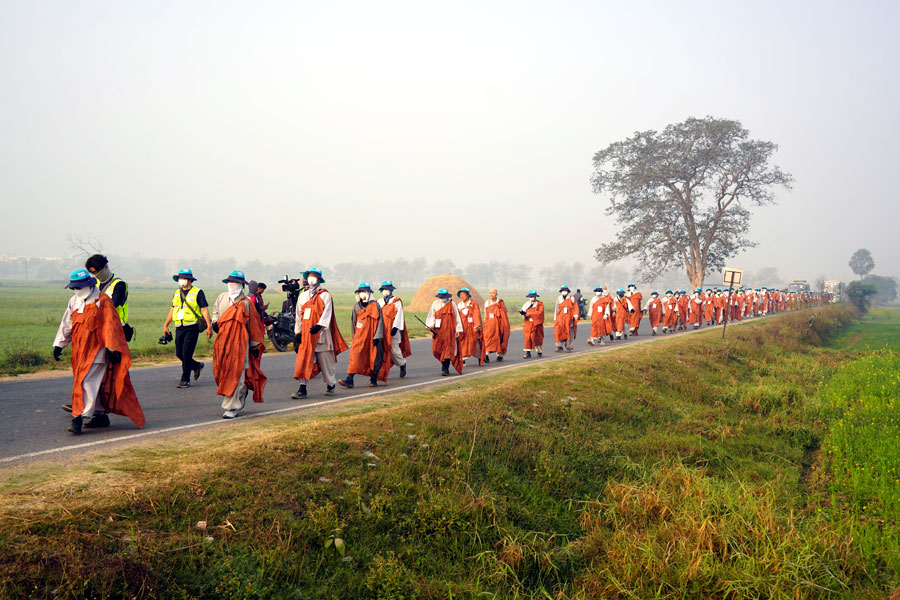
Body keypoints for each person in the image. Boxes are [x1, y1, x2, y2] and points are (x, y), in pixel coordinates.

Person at [53, 269, 145, 435]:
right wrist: (59, 344)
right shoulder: (74, 301)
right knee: (93, 383)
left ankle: (78, 417)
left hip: (97, 350)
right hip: (79, 351)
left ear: (89, 284)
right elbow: (67, 323)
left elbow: (110, 326)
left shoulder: (102, 301)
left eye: (80, 287)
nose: (77, 290)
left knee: (85, 382)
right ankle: (100, 414)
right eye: (74, 287)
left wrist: (112, 348)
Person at [211, 270, 266, 419]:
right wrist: (215, 322)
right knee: (223, 371)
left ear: (242, 285)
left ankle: (233, 406)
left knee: (238, 374)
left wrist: (255, 346)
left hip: (241, 343)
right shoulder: (221, 297)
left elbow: (254, 325)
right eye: (229, 282)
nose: (231, 285)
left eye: (235, 282)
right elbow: (215, 312)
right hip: (223, 341)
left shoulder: (247, 303)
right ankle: (236, 397)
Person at [292, 268, 348, 398]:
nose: (311, 279)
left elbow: (327, 312)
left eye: (314, 276)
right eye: (309, 276)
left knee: (326, 363)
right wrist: (298, 332)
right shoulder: (303, 296)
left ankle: (330, 384)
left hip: (322, 335)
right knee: (303, 361)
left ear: (319, 279)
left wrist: (319, 325)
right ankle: (302, 388)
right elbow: (298, 316)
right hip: (306, 335)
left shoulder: (325, 295)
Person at [163, 269, 212, 388]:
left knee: (186, 353)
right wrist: (165, 325)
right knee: (179, 353)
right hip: (179, 326)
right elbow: (173, 309)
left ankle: (185, 379)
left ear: (190, 280)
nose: (181, 280)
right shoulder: (176, 292)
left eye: (183, 278)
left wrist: (209, 325)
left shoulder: (198, 292)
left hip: (192, 327)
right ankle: (196, 366)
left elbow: (204, 309)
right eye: (179, 278)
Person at [338, 283, 385, 389]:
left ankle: (373, 379)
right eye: (360, 292)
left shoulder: (375, 305)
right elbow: (353, 323)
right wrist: (354, 337)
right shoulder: (356, 306)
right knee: (355, 356)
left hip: (373, 337)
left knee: (374, 358)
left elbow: (380, 321)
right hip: (359, 337)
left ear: (368, 293)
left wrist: (378, 336)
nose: (362, 294)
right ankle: (350, 378)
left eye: (364, 291)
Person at [84, 253, 133, 342]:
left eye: (97, 271)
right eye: (93, 272)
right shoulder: (95, 285)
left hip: (116, 328)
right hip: (98, 328)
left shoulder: (119, 284)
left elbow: (112, 304)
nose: (96, 274)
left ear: (106, 266)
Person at [425, 287, 463, 376]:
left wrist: (458, 329)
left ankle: (445, 368)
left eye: (444, 296)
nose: (442, 298)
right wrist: (430, 326)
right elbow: (431, 316)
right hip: (438, 331)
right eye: (441, 296)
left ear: (447, 296)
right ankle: (443, 362)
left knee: (448, 349)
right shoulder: (435, 304)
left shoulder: (452, 304)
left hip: (449, 331)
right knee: (436, 349)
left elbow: (457, 317)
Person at [378, 280, 411, 379]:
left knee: (394, 350)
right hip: (381, 330)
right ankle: (380, 371)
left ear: (391, 290)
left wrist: (396, 327)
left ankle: (402, 364)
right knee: (381, 350)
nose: (386, 291)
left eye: (387, 289)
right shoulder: (379, 302)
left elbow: (399, 315)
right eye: (384, 289)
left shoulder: (396, 301)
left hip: (393, 330)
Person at [457, 287, 483, 365]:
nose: (462, 296)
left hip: (472, 327)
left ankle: (479, 357)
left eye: (464, 294)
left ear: (468, 295)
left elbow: (476, 314)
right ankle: (463, 359)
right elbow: (457, 317)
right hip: (463, 327)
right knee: (462, 343)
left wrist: (477, 325)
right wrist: (457, 328)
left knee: (475, 342)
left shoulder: (473, 303)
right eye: (461, 295)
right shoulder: (459, 305)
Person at [482, 289, 510, 362]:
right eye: (490, 293)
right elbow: (485, 313)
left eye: (493, 293)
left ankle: (500, 355)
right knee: (488, 338)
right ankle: (486, 354)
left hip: (499, 323)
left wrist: (504, 324)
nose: (491, 294)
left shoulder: (500, 303)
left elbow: (504, 314)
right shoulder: (487, 303)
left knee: (500, 338)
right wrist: (485, 323)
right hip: (489, 324)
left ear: (496, 294)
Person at [554, 285, 579, 352]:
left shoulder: (572, 298)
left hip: (569, 319)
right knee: (559, 332)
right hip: (560, 318)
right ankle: (559, 346)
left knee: (570, 332)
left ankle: (569, 347)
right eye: (563, 290)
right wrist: (555, 318)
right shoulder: (559, 298)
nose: (564, 291)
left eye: (565, 290)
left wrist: (576, 315)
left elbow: (576, 307)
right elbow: (556, 308)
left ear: (567, 291)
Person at [520, 290, 544, 358]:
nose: (532, 298)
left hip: (537, 324)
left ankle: (539, 351)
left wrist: (530, 314)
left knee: (537, 338)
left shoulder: (539, 304)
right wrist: (523, 314)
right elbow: (523, 311)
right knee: (528, 338)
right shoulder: (526, 304)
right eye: (531, 297)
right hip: (528, 324)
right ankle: (528, 352)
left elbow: (540, 313)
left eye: (533, 297)